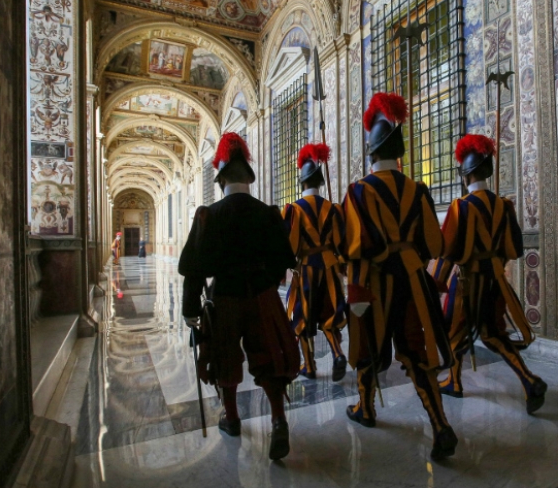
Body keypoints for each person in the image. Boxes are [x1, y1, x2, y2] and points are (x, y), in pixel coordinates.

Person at [342, 92, 458, 460]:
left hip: (375, 284)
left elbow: (355, 248)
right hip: (412, 281)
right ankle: (440, 425)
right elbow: (433, 244)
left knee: (368, 351)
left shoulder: (358, 191)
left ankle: (366, 408)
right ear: (399, 152)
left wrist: (356, 290)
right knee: (415, 352)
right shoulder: (418, 189)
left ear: (371, 152)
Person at [178, 132, 299, 460]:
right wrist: (267, 286)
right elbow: (282, 263)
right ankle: (278, 420)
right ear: (249, 178)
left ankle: (231, 418)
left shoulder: (208, 215)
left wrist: (190, 310)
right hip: (263, 296)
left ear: (220, 181)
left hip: (225, 298)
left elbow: (195, 270)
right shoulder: (268, 213)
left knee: (223, 357)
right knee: (271, 356)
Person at [430, 134, 547, 414]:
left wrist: (437, 282)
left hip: (468, 281)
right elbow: (515, 248)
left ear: (466, 174)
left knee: (451, 330)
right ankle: (528, 380)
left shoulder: (461, 206)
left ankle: (455, 382)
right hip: (495, 280)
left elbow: (448, 250)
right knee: (493, 333)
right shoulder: (504, 206)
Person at [282, 142, 348, 382]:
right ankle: (338, 353)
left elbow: (289, 245)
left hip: (307, 267)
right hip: (330, 267)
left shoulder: (294, 210)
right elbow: (341, 243)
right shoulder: (334, 209)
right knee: (330, 312)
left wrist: (289, 265)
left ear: (302, 183)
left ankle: (309, 366)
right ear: (320, 182)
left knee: (302, 316)